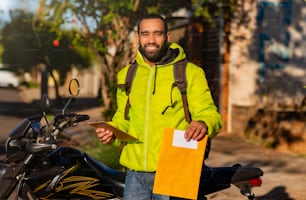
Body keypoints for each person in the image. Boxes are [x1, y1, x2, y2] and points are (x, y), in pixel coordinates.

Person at [96, 13, 222, 200]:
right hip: (135, 174)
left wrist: (203, 123)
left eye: (158, 33)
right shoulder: (127, 75)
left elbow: (210, 113)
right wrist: (112, 132)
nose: (151, 40)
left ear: (167, 37)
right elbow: (123, 119)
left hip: (175, 169)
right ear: (138, 38)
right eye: (145, 34)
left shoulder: (190, 73)